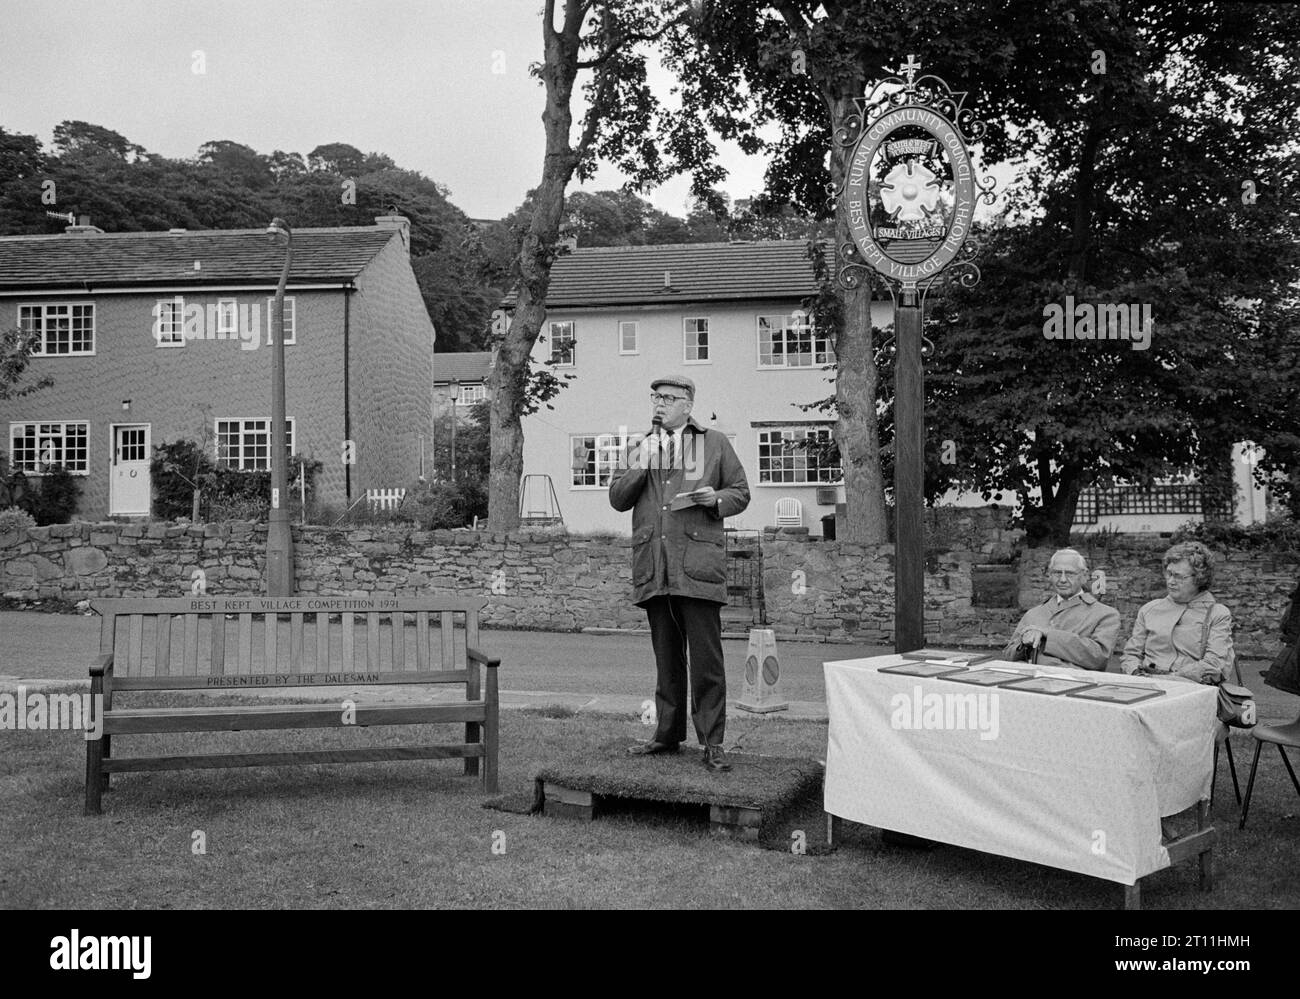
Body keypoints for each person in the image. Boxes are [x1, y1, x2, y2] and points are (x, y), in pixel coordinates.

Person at [609, 375, 750, 772]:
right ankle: (667, 734)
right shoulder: (639, 445)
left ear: (688, 405)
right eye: (655, 397)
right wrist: (643, 463)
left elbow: (740, 492)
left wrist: (715, 499)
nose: (659, 404)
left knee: (707, 661)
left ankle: (713, 742)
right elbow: (618, 498)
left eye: (669, 398)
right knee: (666, 658)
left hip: (698, 566)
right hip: (656, 565)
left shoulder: (715, 443)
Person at [1120, 541, 1234, 684]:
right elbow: (1130, 655)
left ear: (1199, 578)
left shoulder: (1217, 614)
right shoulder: (1149, 609)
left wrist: (1169, 679)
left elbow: (1213, 664)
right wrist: (1136, 673)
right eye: (1169, 574)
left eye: (1179, 576)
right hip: (1145, 684)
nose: (1171, 581)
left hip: (1192, 691)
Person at [1002, 548, 1120, 670]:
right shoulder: (1034, 613)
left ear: (1084, 576)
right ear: (1050, 576)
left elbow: (1098, 658)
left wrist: (1048, 634)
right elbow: (1008, 656)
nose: (1063, 579)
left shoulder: (1105, 614)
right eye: (1057, 573)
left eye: (1070, 573)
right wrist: (1024, 644)